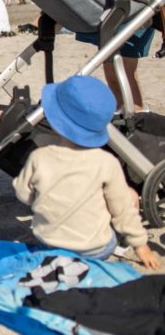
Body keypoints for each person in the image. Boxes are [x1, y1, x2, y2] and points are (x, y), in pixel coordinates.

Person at [13, 75, 160, 269]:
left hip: (49, 244)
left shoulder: (39, 158)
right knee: (128, 195)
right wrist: (142, 247)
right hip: (96, 250)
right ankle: (120, 246)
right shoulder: (106, 162)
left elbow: (23, 194)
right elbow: (122, 210)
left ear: (56, 122)